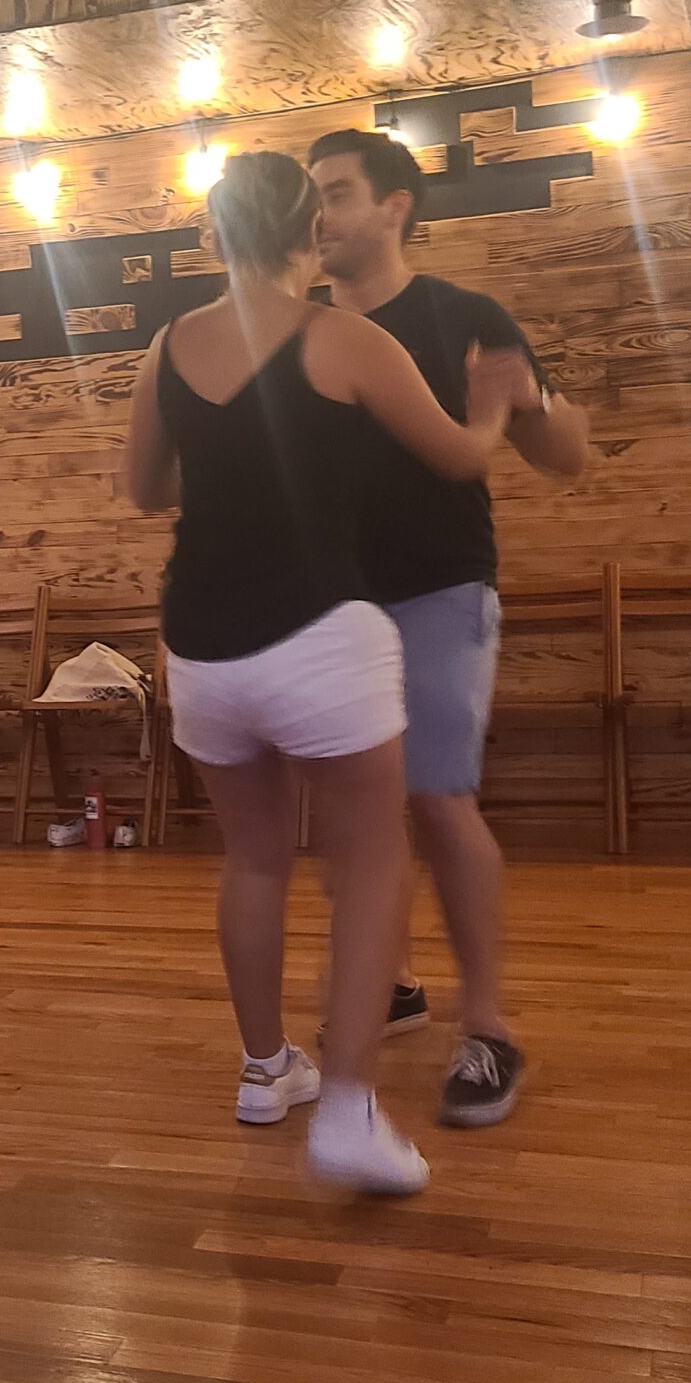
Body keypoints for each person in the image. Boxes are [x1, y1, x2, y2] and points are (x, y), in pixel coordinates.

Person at [122, 152, 532, 1194]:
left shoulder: (166, 346)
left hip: (201, 644)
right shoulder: (344, 337)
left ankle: (267, 1070)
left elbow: (143, 489)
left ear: (213, 239)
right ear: (311, 236)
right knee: (368, 861)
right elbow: (454, 457)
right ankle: (347, 1108)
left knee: (254, 860)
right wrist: (490, 406)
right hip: (320, 634)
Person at [305, 129, 591, 1129]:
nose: (319, 213)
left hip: (436, 591)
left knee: (434, 801)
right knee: (349, 815)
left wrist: (527, 400)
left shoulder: (463, 316)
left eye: (336, 192)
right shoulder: (295, 331)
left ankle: (490, 1029)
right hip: (329, 604)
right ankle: (391, 986)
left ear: (394, 208)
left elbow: (566, 456)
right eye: (310, 196)